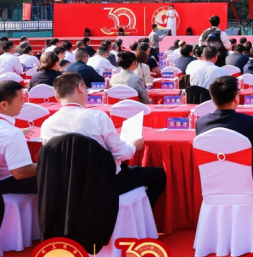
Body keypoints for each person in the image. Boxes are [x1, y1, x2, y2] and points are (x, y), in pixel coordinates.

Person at [41, 73, 166, 207]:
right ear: (81, 88)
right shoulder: (97, 117)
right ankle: (140, 214)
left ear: (56, 97)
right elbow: (121, 154)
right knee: (159, 176)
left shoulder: (47, 125)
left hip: (66, 185)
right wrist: (133, 146)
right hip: (103, 182)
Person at [197, 76, 253, 198]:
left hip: (214, 180)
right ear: (236, 98)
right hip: (248, 178)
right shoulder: (248, 122)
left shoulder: (200, 122)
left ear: (212, 99)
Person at [0, 81, 37, 196]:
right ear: (4, 105)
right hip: (5, 182)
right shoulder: (12, 133)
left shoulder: (9, 131)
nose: (23, 103)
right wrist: (52, 162)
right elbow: (20, 172)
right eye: (20, 99)